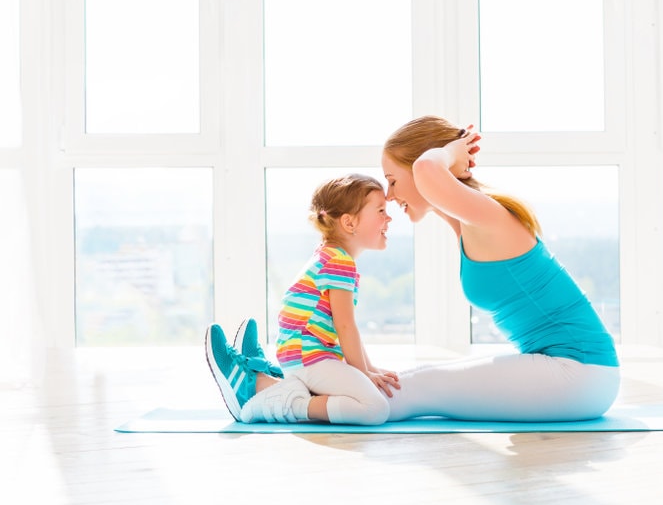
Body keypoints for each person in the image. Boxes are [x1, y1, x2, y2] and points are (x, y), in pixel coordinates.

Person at [380, 115, 620, 422]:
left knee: (420, 388)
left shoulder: (490, 215)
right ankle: (324, 398)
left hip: (580, 373)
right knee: (414, 377)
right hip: (574, 373)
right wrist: (450, 163)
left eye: (392, 180)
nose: (388, 195)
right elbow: (430, 177)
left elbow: (426, 170)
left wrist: (452, 153)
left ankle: (311, 408)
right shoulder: (469, 223)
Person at [205, 173, 400, 425]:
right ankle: (277, 399)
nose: (389, 217)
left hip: (303, 356)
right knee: (374, 409)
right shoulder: (339, 262)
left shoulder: (331, 256)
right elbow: (345, 327)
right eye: (381, 210)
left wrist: (368, 369)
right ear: (349, 223)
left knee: (371, 396)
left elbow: (345, 328)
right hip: (311, 359)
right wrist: (363, 373)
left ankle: (262, 378)